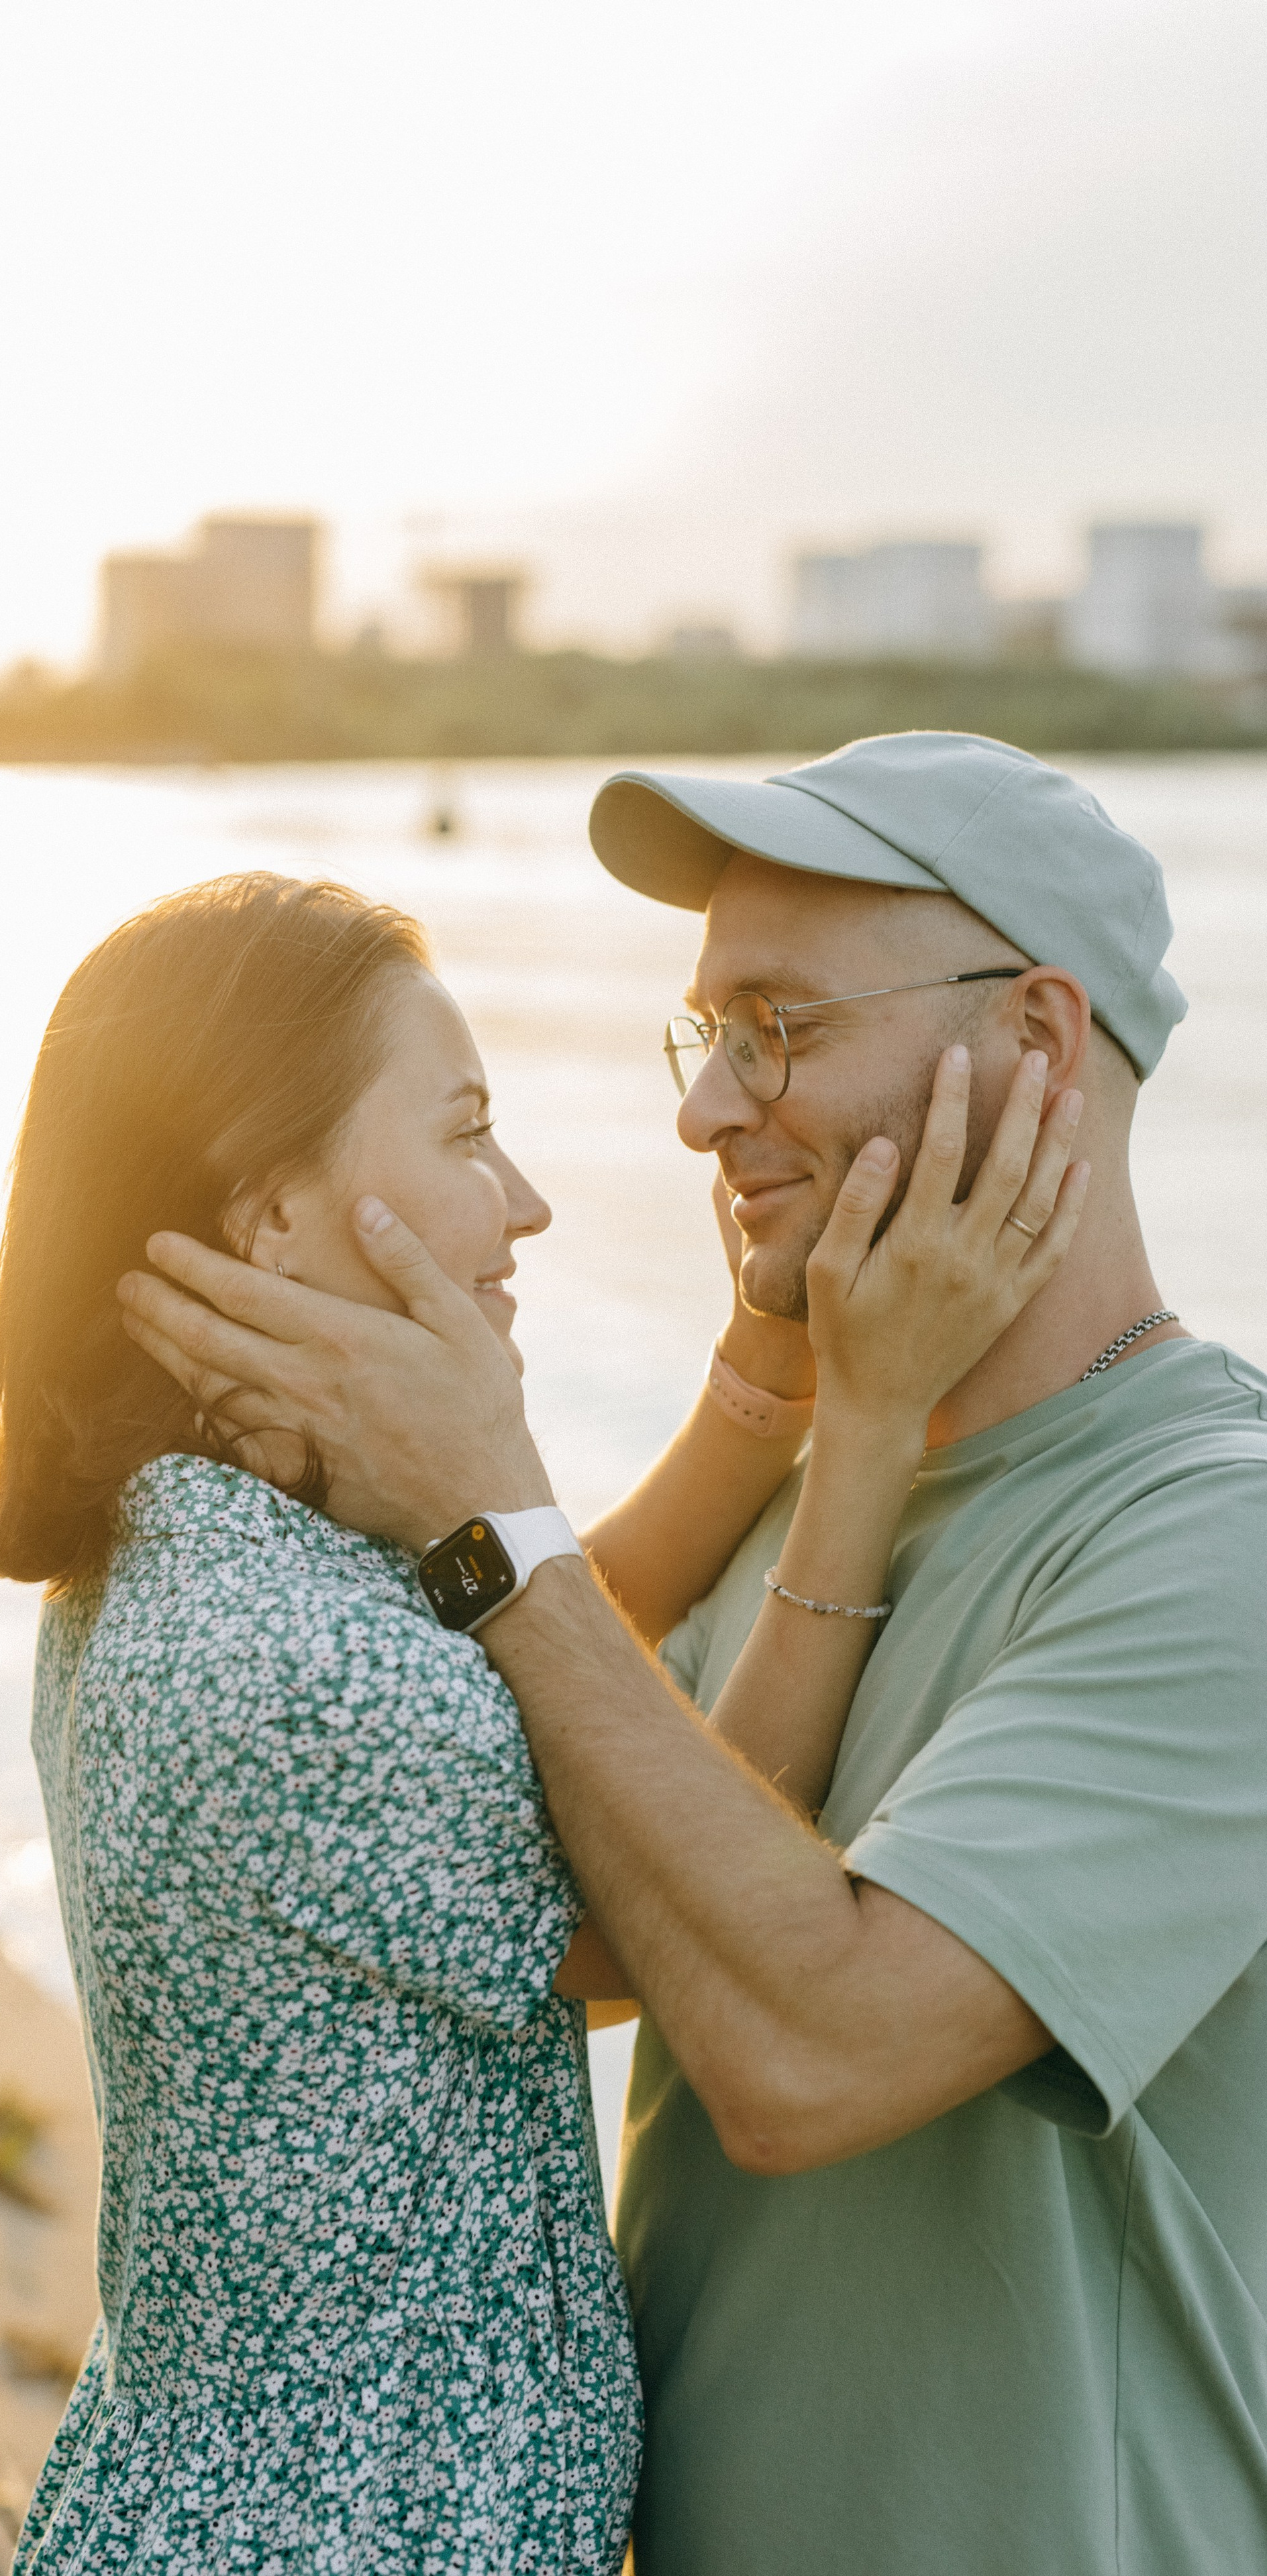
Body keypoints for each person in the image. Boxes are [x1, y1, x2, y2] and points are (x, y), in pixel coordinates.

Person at [117, 735, 1267, 2576]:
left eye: (782, 1026)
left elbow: (809, 2054)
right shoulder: (830, 1480)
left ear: (1039, 1043)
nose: (705, 1111)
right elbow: (546, 1926)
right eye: (704, 1033)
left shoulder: (1219, 1536)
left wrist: (498, 1516)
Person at [0, 860, 1080, 2575]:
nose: (522, 1203)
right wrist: (871, 1433)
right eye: (460, 1135)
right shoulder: (280, 1662)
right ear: (266, 1215)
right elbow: (673, 1909)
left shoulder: (234, 1543)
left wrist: (767, 1372)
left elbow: (547, 1639)